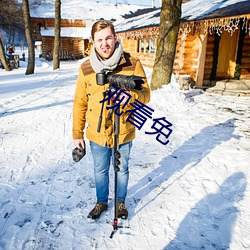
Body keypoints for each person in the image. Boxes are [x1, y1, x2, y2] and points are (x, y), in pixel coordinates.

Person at [72, 20, 150, 220]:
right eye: (100, 40)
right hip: (97, 133)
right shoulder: (86, 68)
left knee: (122, 168)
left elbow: (146, 94)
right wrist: (77, 134)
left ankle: (121, 202)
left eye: (108, 38)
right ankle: (101, 202)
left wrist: (131, 97)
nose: (104, 43)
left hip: (124, 129)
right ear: (93, 42)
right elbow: (80, 102)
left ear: (115, 38)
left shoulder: (132, 63)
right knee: (100, 170)